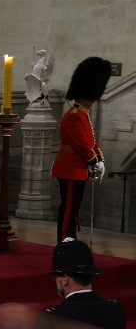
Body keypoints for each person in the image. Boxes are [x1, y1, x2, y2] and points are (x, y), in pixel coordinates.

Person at [51, 57, 112, 241]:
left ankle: (69, 240)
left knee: (73, 208)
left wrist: (99, 160)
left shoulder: (83, 115)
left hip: (78, 170)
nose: (93, 101)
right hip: (70, 169)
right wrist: (93, 161)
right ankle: (64, 241)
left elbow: (92, 141)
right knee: (69, 208)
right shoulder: (74, 116)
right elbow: (83, 145)